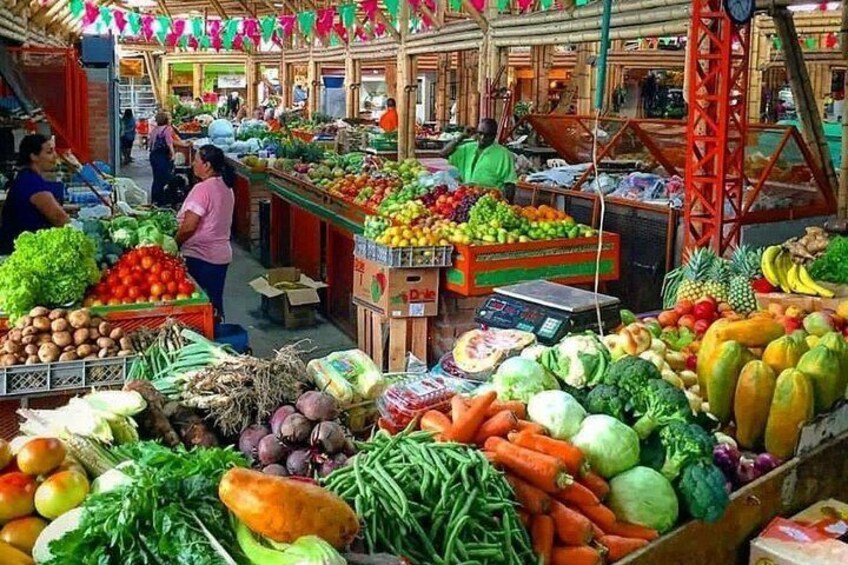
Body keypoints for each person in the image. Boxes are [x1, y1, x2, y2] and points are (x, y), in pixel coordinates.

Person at [175, 144, 235, 320]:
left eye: (196, 161)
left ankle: (211, 337)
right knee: (214, 305)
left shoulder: (203, 189)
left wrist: (174, 243)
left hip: (201, 257)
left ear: (207, 165)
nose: (193, 164)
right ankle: (219, 334)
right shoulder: (226, 187)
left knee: (200, 309)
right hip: (220, 256)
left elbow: (189, 226)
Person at [0, 134, 69, 253]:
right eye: (49, 152)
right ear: (34, 156)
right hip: (21, 252)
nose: (55, 156)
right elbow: (59, 218)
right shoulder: (32, 183)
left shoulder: (26, 178)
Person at [440, 118, 517, 202]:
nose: (483, 138)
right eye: (480, 133)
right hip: (467, 198)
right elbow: (443, 154)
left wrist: (509, 204)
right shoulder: (468, 148)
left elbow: (510, 184)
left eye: (488, 135)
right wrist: (462, 136)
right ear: (476, 132)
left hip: (490, 200)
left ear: (495, 135)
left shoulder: (504, 154)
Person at [148, 111, 190, 206]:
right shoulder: (167, 129)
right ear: (166, 120)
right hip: (162, 156)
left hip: (154, 156)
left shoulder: (155, 129)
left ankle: (155, 200)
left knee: (157, 178)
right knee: (165, 178)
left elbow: (151, 144)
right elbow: (169, 142)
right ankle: (164, 200)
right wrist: (173, 153)